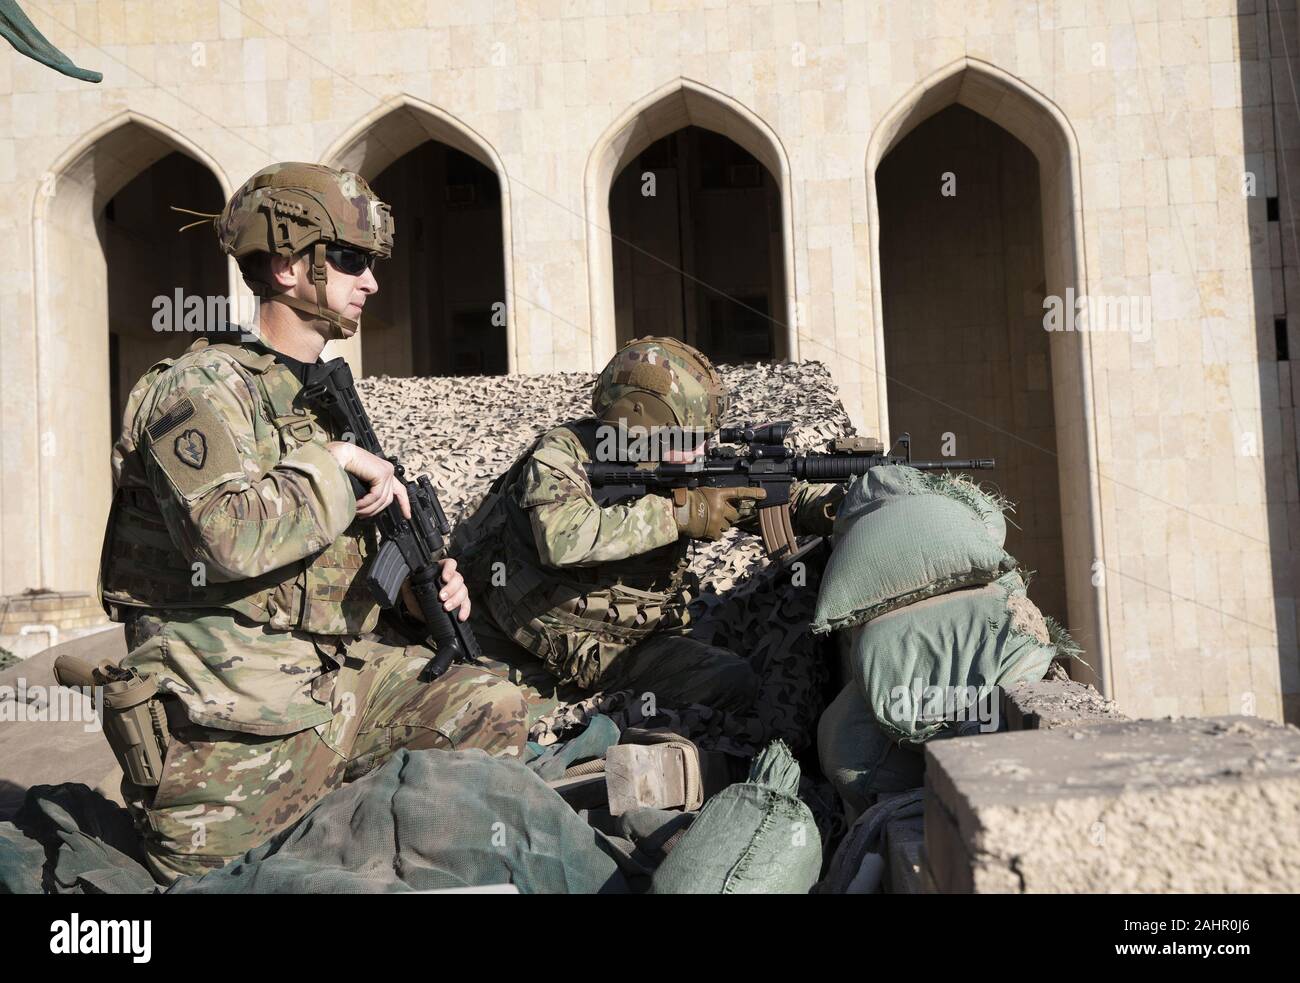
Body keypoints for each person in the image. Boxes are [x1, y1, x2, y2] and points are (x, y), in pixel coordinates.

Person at [97, 162, 528, 882]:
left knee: (489, 702)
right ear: (290, 265)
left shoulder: (318, 397)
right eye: (353, 260)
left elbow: (330, 580)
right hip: (232, 734)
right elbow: (225, 535)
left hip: (329, 695)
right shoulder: (197, 389)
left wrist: (421, 595)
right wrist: (332, 462)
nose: (372, 282)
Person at [454, 336, 843, 717]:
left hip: (629, 637)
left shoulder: (670, 463)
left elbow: (767, 499)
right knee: (730, 681)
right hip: (530, 648)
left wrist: (833, 507)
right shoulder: (562, 453)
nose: (699, 452)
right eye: (687, 438)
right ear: (639, 421)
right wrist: (678, 514)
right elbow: (563, 538)